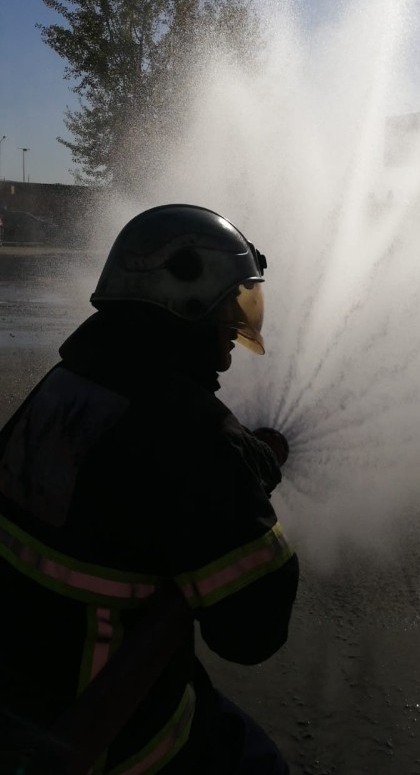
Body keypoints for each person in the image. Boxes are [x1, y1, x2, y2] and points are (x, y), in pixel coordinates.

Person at [0, 203, 299, 775]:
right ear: (186, 302)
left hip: (23, 692)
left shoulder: (63, 387)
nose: (232, 333)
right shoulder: (195, 435)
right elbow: (252, 633)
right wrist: (242, 491)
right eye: (227, 307)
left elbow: (118, 494)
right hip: (113, 742)